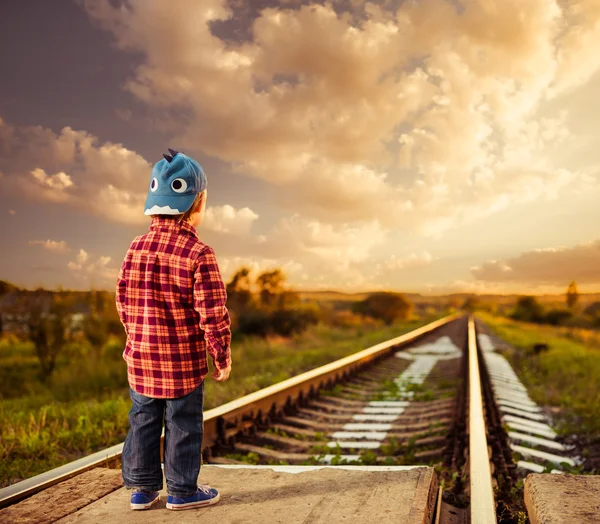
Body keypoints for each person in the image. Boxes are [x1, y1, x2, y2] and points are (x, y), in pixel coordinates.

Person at [116, 148, 232, 511]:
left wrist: (136, 336)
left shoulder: (135, 247)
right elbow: (212, 311)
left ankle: (142, 489)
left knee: (143, 420)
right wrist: (221, 353)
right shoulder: (199, 252)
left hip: (142, 359)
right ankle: (182, 491)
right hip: (182, 362)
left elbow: (123, 300)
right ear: (197, 204)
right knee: (182, 423)